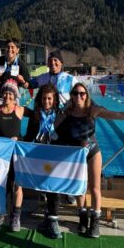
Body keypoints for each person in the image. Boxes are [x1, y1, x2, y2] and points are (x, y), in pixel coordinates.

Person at [55, 83, 124, 238]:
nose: (79, 96)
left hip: (93, 152)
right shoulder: (67, 112)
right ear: (72, 96)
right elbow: (53, 127)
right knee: (80, 187)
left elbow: (119, 115)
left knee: (95, 188)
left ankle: (95, 221)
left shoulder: (93, 110)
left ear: (87, 95)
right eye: (75, 93)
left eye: (82, 93)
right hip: (76, 154)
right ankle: (82, 217)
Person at [20, 49, 78, 204]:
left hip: (64, 120)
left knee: (65, 158)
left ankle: (68, 191)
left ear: (61, 63)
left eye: (55, 61)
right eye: (50, 61)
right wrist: (21, 79)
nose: (53, 64)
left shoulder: (70, 79)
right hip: (46, 118)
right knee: (45, 157)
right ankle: (44, 189)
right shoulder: (44, 77)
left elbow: (81, 95)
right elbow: (29, 84)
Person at [0, 79, 31, 237]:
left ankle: (15, 217)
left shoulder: (20, 110)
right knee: (0, 186)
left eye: (11, 93)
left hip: (16, 154)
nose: (8, 95)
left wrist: (25, 140)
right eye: (5, 92)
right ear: (2, 94)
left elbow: (38, 116)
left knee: (17, 186)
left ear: (15, 95)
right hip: (0, 155)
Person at [23, 84, 62, 239]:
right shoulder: (36, 116)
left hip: (55, 155)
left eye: (49, 98)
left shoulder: (60, 115)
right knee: (46, 187)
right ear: (40, 99)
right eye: (44, 98)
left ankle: (53, 220)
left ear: (54, 100)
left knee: (55, 187)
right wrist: (18, 143)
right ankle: (48, 217)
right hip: (40, 155)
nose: (46, 101)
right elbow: (29, 135)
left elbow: (65, 134)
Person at [0, 38, 30, 108]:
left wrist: (22, 81)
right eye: (8, 47)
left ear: (17, 50)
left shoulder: (21, 65)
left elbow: (27, 86)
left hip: (13, 95)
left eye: (12, 47)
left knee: (14, 116)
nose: (10, 49)